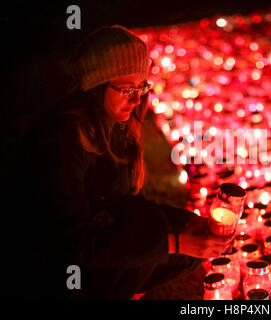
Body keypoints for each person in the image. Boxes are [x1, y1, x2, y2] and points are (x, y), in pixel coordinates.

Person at [5, 25, 233, 299]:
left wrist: (184, 224)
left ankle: (126, 286)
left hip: (94, 241)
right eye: (126, 89)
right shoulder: (61, 139)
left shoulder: (114, 125)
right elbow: (68, 242)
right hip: (52, 268)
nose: (137, 100)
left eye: (142, 87)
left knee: (188, 248)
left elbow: (124, 203)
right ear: (96, 85)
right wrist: (171, 241)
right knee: (163, 248)